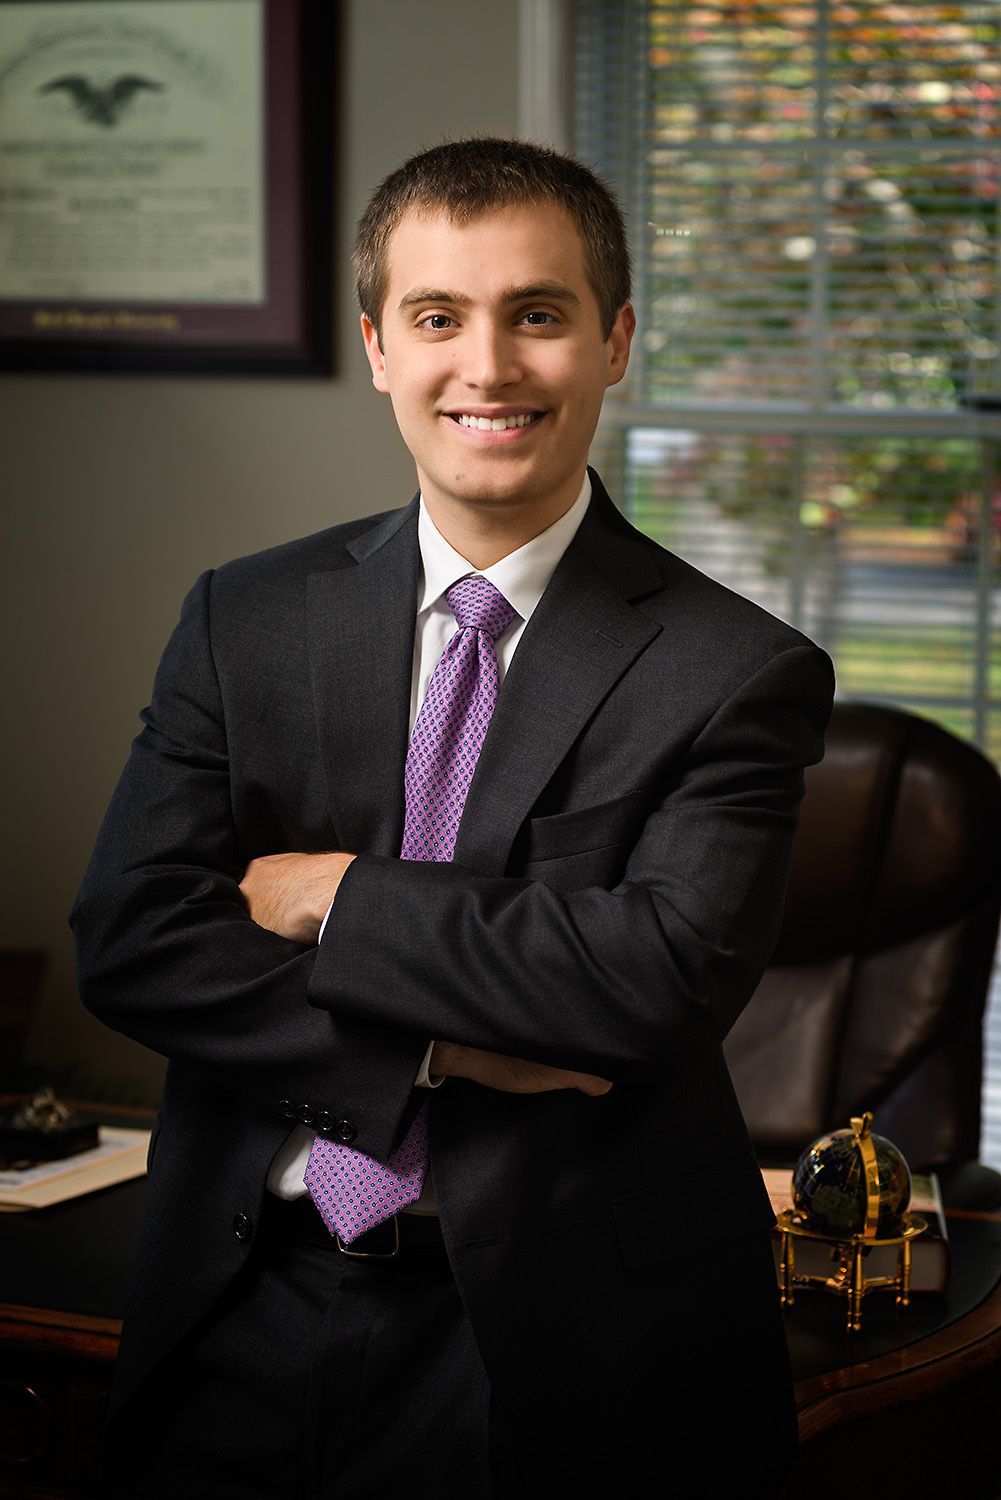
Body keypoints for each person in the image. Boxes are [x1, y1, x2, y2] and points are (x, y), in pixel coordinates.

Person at [72, 136, 834, 1498]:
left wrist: (332, 896)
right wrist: (451, 1055)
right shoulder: (244, 618)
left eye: (536, 315)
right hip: (239, 1298)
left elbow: (650, 989)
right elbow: (133, 937)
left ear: (612, 342)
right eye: (437, 317)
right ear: (377, 345)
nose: (486, 368)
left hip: (565, 1346)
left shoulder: (738, 671)